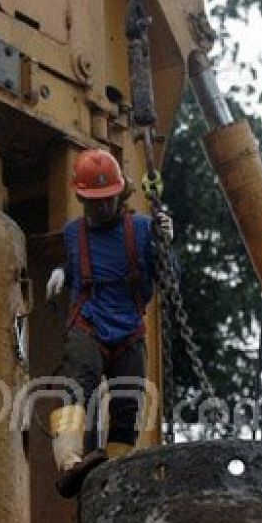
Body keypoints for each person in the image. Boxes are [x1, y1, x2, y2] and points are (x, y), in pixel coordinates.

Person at [45, 149, 172, 498]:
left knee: (128, 404)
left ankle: (116, 473)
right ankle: (70, 462)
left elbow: (169, 277)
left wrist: (165, 244)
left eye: (106, 200)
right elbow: (74, 270)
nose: (100, 208)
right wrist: (61, 273)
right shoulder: (75, 234)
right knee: (77, 383)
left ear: (120, 194)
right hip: (89, 323)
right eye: (92, 201)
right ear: (81, 198)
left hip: (129, 330)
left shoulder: (143, 230)